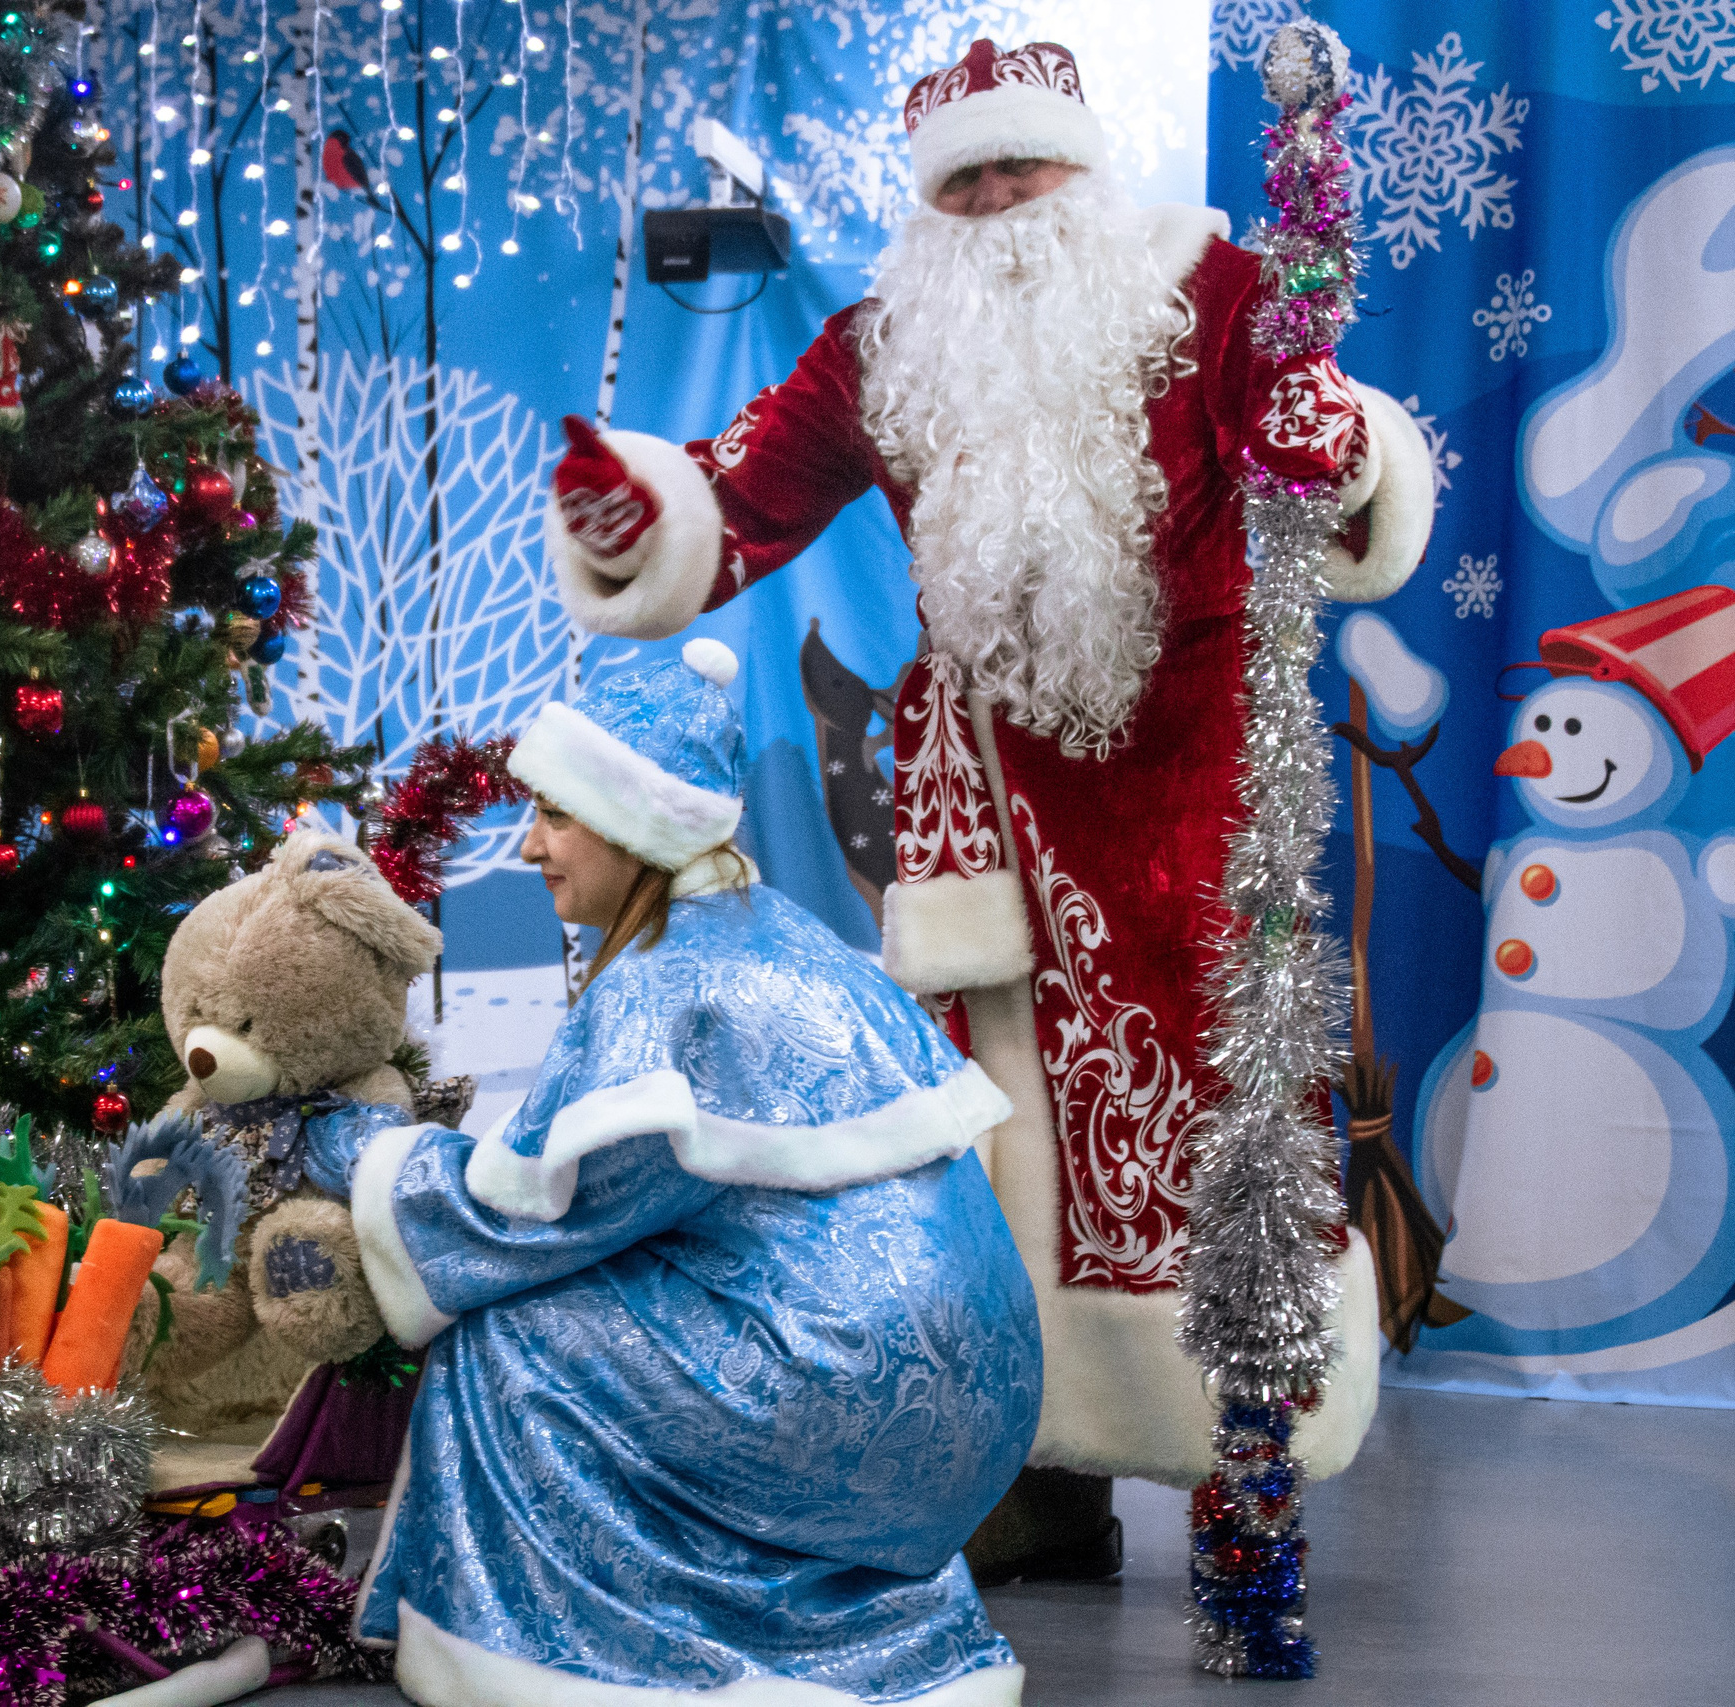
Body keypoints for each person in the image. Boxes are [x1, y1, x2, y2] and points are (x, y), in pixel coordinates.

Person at [542, 38, 1429, 1574]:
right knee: (990, 1130)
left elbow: (1328, 466)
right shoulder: (883, 347)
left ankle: (1244, 1468)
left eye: (1026, 164)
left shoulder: (1216, 296)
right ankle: (1028, 1461)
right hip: (997, 815)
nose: (1000, 197)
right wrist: (637, 512)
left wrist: (1339, 454)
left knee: (1219, 1121)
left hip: (1197, 785)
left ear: (1088, 171)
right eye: (965, 179)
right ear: (927, 204)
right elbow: (736, 495)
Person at [302, 640, 1043, 1707]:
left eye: (554, 815)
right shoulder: (780, 932)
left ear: (630, 825)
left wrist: (351, 1145)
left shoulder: (663, 985)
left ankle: (587, 1655)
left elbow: (526, 1216)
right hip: (981, 1414)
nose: (530, 845)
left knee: (504, 1339)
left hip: (844, 1397)